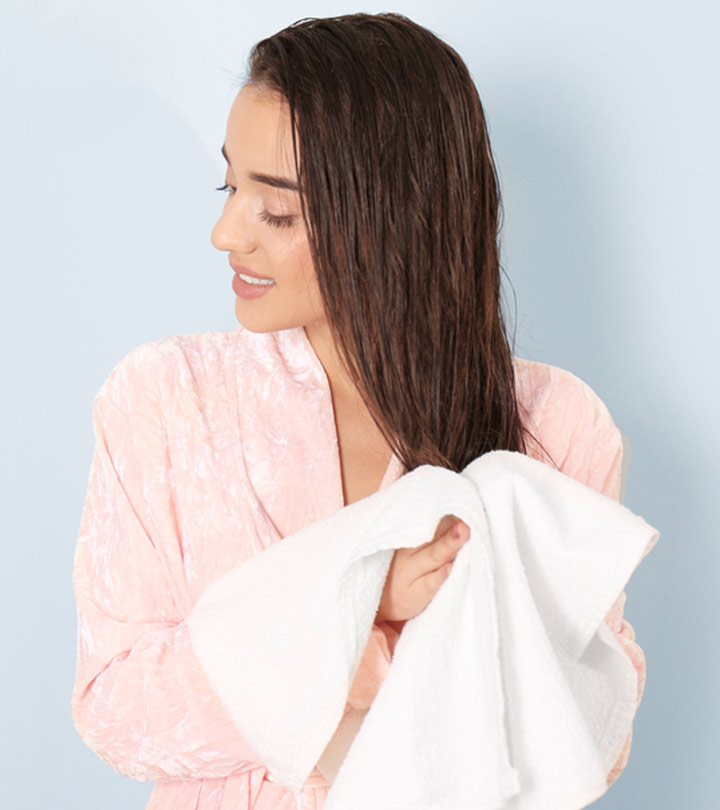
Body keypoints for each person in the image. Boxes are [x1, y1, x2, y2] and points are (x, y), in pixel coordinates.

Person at [71, 12, 646, 810]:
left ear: (392, 215)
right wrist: (355, 609)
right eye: (228, 185)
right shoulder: (166, 403)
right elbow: (118, 710)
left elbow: (590, 733)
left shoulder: (555, 426)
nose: (225, 232)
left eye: (277, 211)